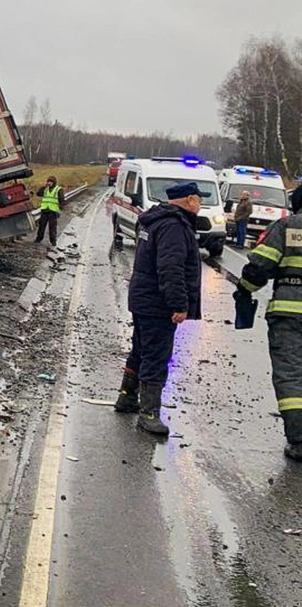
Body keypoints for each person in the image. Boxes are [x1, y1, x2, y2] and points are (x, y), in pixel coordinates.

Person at [112, 181, 204, 435]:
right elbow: (170, 268)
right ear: (189, 200)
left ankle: (127, 396)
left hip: (143, 297)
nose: (201, 204)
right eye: (199, 199)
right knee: (156, 355)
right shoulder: (174, 226)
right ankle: (149, 413)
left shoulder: (155, 220)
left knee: (140, 349)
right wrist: (178, 304)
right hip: (157, 302)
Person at [236, 189, 302, 460]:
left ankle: (299, 440)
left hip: (290, 315)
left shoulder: (287, 227)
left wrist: (244, 289)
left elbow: (260, 267)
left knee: (291, 376)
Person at [34, 176, 65, 246]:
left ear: (54, 182)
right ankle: (38, 239)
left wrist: (60, 209)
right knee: (41, 226)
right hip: (44, 210)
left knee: (52, 228)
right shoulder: (45, 189)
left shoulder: (58, 189)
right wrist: (44, 187)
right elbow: (38, 194)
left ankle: (53, 241)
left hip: (53, 212)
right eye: (48, 181)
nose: (49, 183)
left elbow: (62, 200)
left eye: (51, 182)